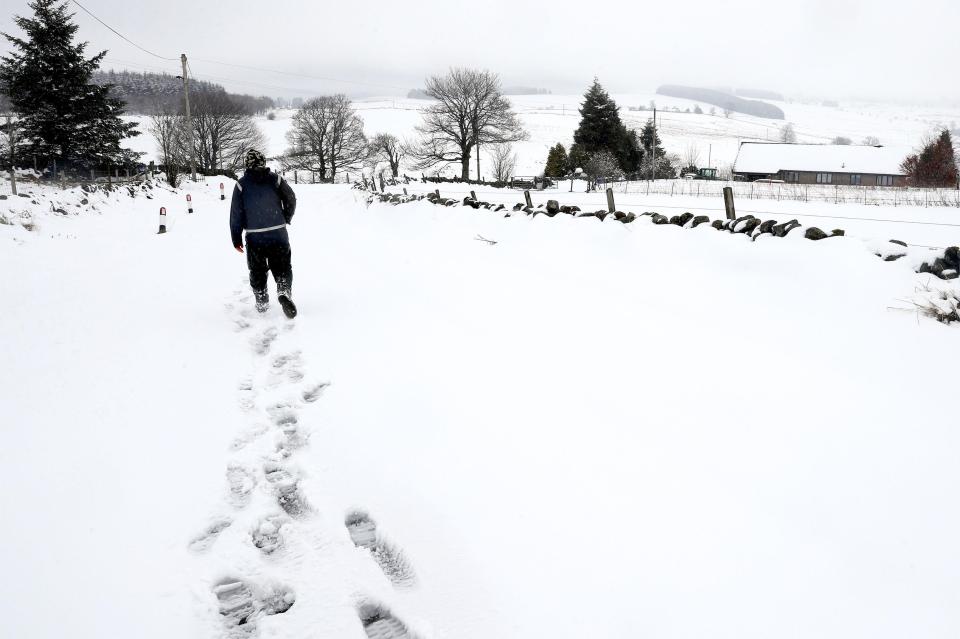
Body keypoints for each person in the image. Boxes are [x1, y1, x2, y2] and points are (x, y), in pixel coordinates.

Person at [229, 149, 298, 318]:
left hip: (255, 236)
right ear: (263, 162)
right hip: (278, 234)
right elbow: (291, 199)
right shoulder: (276, 179)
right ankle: (283, 290)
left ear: (247, 164)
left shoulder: (241, 184)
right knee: (282, 266)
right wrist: (285, 217)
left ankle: (261, 299)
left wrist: (236, 237)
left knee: (257, 270)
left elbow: (236, 213)